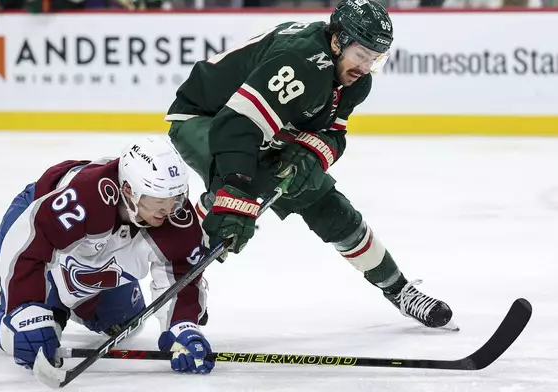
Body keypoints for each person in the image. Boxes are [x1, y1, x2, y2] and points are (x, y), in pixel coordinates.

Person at [166, 0, 455, 329]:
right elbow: (236, 127)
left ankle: (400, 291)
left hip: (263, 127)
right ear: (337, 41)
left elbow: (333, 134)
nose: (366, 66)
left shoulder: (356, 80)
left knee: (325, 202)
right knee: (234, 207)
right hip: (205, 118)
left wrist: (310, 154)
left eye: (376, 58)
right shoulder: (301, 61)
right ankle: (183, 285)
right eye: (362, 54)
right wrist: (233, 190)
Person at [0, 136, 214, 374]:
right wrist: (27, 311)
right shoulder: (85, 198)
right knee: (31, 341)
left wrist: (183, 326)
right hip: (34, 237)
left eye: (176, 199)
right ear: (129, 191)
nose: (169, 211)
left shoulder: (174, 215)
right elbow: (27, 246)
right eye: (158, 202)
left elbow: (181, 274)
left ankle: (59, 302)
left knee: (124, 323)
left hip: (95, 255)